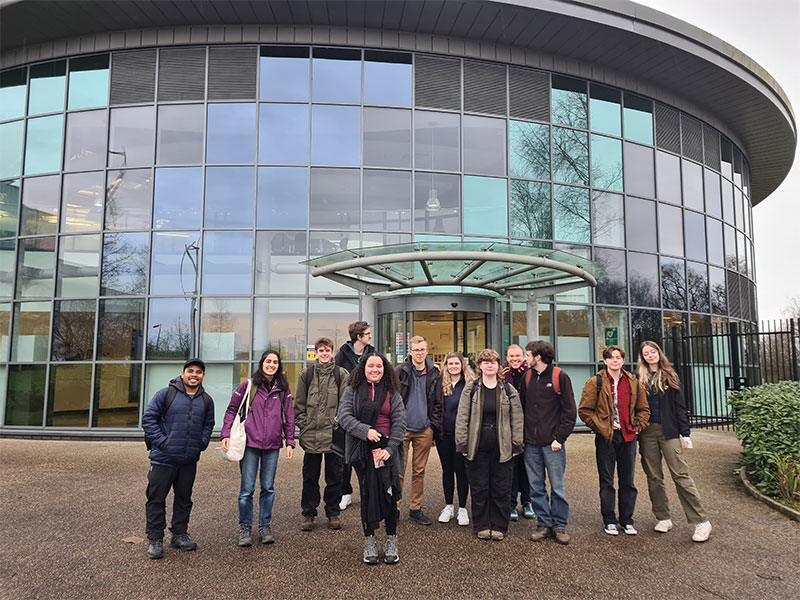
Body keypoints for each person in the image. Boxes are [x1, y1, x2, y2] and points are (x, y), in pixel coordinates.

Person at [638, 340, 712, 542]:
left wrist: (685, 434)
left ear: (658, 353)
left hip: (669, 432)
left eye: (653, 352)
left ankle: (701, 521)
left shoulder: (670, 375)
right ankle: (663, 517)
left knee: (680, 475)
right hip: (646, 433)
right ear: (642, 357)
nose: (650, 355)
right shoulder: (640, 378)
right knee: (654, 477)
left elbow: (680, 406)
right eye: (646, 353)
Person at [221, 350, 295, 547]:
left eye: (275, 362)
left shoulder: (283, 388)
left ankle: (265, 526)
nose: (271, 365)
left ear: (279, 366)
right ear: (262, 363)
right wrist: (225, 433)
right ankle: (245, 527)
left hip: (272, 445)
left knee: (268, 488)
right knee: (246, 489)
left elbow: (289, 415)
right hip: (250, 444)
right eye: (268, 361)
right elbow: (231, 409)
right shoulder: (249, 385)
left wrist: (290, 441)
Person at [142, 358, 215, 560]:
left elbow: (209, 425)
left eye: (198, 372)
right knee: (156, 499)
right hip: (163, 459)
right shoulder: (166, 394)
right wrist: (162, 442)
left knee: (184, 500)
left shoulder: (206, 400)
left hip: (189, 460)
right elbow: (148, 419)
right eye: (190, 371)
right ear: (182, 373)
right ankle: (155, 539)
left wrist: (201, 444)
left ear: (203, 376)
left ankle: (179, 535)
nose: (194, 375)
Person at [338, 353, 406, 565]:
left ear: (385, 368)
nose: (375, 369)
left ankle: (391, 539)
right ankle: (370, 540)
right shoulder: (352, 390)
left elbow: (400, 421)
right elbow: (344, 416)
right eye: (371, 366)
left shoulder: (392, 392)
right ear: (363, 368)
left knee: (390, 493)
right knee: (368, 495)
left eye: (379, 366)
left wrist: (391, 448)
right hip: (362, 452)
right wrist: (365, 431)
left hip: (387, 451)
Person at [578, 345, 650, 536]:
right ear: (605, 361)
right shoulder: (596, 382)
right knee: (607, 481)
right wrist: (600, 428)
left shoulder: (633, 381)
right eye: (611, 358)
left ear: (623, 360)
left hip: (628, 436)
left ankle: (627, 520)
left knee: (628, 481)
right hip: (606, 438)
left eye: (618, 357)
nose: (615, 361)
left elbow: (644, 409)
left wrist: (637, 426)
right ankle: (609, 519)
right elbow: (585, 411)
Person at [455, 348, 524, 541]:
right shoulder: (471, 388)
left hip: (503, 445)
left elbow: (517, 417)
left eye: (493, 362)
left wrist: (517, 444)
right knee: (479, 487)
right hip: (477, 444)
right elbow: (462, 417)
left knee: (501, 487)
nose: (489, 365)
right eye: (485, 362)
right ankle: (482, 525)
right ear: (480, 366)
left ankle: (499, 525)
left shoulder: (508, 389)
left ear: (498, 365)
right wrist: (462, 444)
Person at [521, 340, 577, 545]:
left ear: (537, 357)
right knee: (536, 487)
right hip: (531, 444)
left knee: (557, 487)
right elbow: (523, 407)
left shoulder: (560, 377)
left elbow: (570, 412)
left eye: (528, 355)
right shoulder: (527, 378)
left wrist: (559, 439)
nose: (525, 359)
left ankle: (559, 525)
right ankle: (543, 523)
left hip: (552, 445)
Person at [295, 337, 350, 531]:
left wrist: (340, 427)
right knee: (310, 476)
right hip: (311, 435)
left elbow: (345, 406)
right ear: (316, 353)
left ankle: (333, 512)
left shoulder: (341, 374)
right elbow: (299, 405)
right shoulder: (306, 375)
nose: (324, 354)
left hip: (334, 436)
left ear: (332, 352)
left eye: (328, 350)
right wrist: (304, 426)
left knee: (335, 476)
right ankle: (308, 513)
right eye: (321, 351)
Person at [395, 335, 442, 525]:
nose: (419, 353)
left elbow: (438, 402)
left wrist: (433, 427)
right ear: (410, 352)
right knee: (398, 471)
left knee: (419, 471)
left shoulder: (434, 373)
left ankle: (415, 508)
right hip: (403, 429)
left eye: (422, 349)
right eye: (416, 350)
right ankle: (394, 509)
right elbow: (393, 398)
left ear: (427, 351)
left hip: (424, 429)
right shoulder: (400, 371)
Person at [335, 320, 375, 511]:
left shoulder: (374, 354)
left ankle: (370, 492)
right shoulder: (342, 355)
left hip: (369, 411)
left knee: (369, 455)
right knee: (346, 456)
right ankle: (345, 492)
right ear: (358, 337)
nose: (370, 336)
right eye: (367, 333)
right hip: (348, 410)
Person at [436, 352, 476, 526]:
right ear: (446, 365)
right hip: (444, 435)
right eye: (450, 363)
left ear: (462, 365)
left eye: (456, 363)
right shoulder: (440, 384)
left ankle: (462, 508)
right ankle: (448, 506)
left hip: (463, 436)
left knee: (461, 471)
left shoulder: (470, 384)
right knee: (447, 470)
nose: (453, 366)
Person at [502, 344, 534, 521]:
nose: (514, 359)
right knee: (511, 468)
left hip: (529, 429)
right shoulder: (503, 376)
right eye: (511, 356)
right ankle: (512, 504)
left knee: (528, 468)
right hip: (510, 429)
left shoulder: (531, 374)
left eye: (518, 355)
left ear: (523, 356)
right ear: (507, 356)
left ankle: (527, 501)